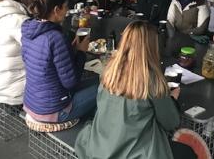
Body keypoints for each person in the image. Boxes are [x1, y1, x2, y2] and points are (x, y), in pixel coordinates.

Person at [75, 21, 205, 159]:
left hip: (101, 147)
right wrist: (172, 98)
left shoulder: (109, 72)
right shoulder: (152, 80)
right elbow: (170, 122)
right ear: (151, 47)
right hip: (137, 152)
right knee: (188, 153)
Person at [21, 0, 97, 126]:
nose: (67, 11)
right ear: (57, 9)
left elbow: (44, 64)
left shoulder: (28, 31)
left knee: (97, 80)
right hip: (53, 110)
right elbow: (71, 82)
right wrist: (81, 52)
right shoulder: (55, 38)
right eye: (66, 7)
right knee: (104, 89)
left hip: (33, 102)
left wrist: (71, 50)